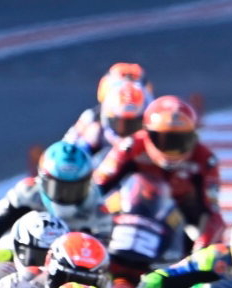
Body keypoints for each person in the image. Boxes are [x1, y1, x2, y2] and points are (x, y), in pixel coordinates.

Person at [94, 96, 222, 247]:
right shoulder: (130, 147)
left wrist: (201, 246)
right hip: (131, 214)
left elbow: (213, 214)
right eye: (163, 139)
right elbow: (97, 186)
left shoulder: (205, 160)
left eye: (180, 141)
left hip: (180, 219)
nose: (172, 148)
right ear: (147, 133)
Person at [0, 140, 111, 257]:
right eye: (58, 187)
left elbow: (104, 258)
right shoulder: (27, 192)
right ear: (42, 179)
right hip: (16, 260)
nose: (66, 195)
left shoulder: (97, 209)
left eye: (75, 188)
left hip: (66, 274)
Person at [64, 61, 152, 158]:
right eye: (119, 123)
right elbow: (66, 149)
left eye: (133, 124)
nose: (125, 132)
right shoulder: (91, 118)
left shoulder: (155, 120)